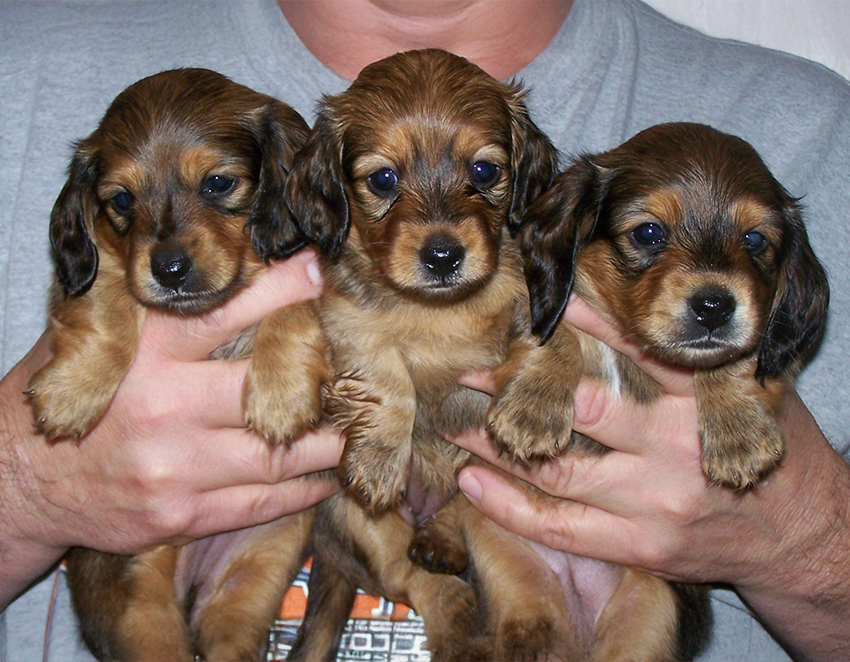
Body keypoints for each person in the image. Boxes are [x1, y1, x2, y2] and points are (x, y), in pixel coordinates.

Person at [0, 1, 848, 660]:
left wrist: (810, 544)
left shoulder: (812, 126)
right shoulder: (22, 67)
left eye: (485, 173)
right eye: (379, 182)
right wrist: (23, 488)